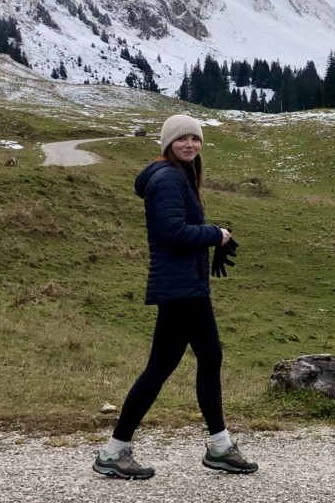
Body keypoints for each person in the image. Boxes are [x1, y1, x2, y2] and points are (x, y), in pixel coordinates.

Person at [92, 114, 258, 479]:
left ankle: (220, 447)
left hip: (189, 286)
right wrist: (216, 234)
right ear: (168, 143)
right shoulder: (167, 178)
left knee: (210, 355)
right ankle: (114, 452)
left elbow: (180, 229)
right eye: (182, 139)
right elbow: (173, 233)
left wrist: (212, 237)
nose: (190, 145)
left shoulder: (176, 175)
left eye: (195, 140)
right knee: (160, 367)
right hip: (179, 288)